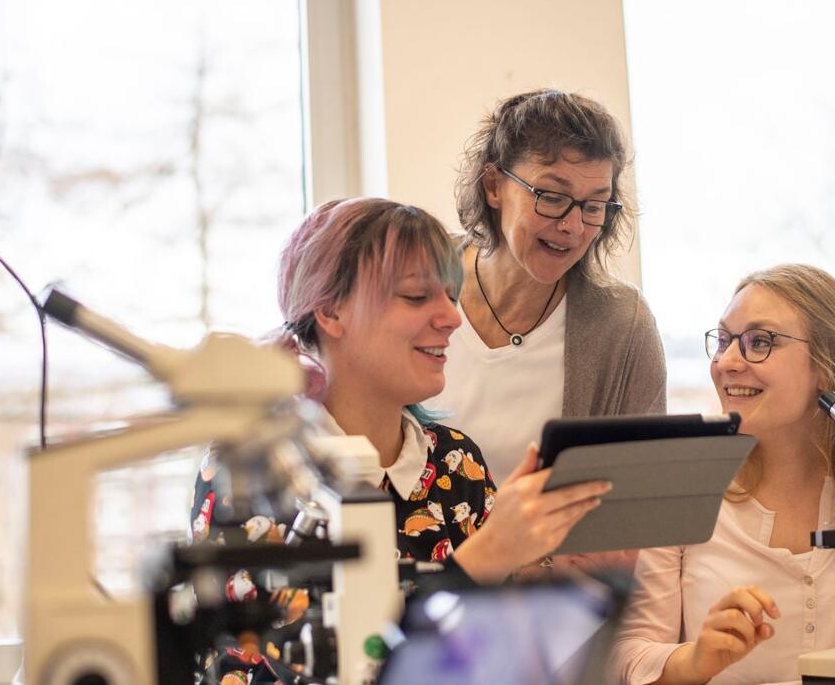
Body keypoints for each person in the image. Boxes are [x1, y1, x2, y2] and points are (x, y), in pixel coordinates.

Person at [189, 198, 612, 682]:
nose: (452, 317)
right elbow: (285, 670)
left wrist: (558, 584)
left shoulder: (457, 463)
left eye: (450, 295)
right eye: (416, 297)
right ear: (329, 310)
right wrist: (481, 562)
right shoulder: (254, 471)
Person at [611, 264, 835, 685]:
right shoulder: (680, 482)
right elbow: (630, 654)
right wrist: (696, 660)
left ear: (826, 367)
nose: (727, 362)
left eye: (759, 342)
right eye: (723, 341)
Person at [427, 89, 667, 482]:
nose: (573, 227)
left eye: (593, 206)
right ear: (493, 186)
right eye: (552, 197)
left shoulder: (623, 326)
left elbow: (637, 494)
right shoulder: (417, 277)